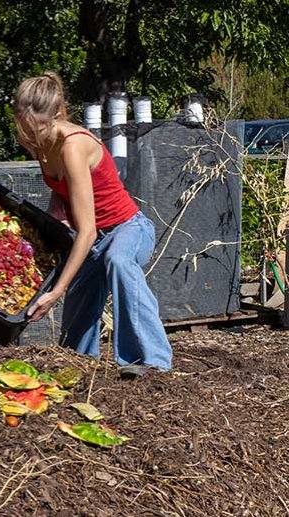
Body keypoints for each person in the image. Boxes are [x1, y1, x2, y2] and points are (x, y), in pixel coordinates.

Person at [13, 72, 172, 376]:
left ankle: (151, 360)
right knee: (76, 325)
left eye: (35, 130)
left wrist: (57, 291)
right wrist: (54, 216)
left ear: (57, 115)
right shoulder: (39, 141)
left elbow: (85, 232)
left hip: (128, 229)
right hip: (95, 238)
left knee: (118, 260)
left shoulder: (73, 146)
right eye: (23, 129)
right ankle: (81, 362)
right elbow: (62, 190)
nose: (29, 138)